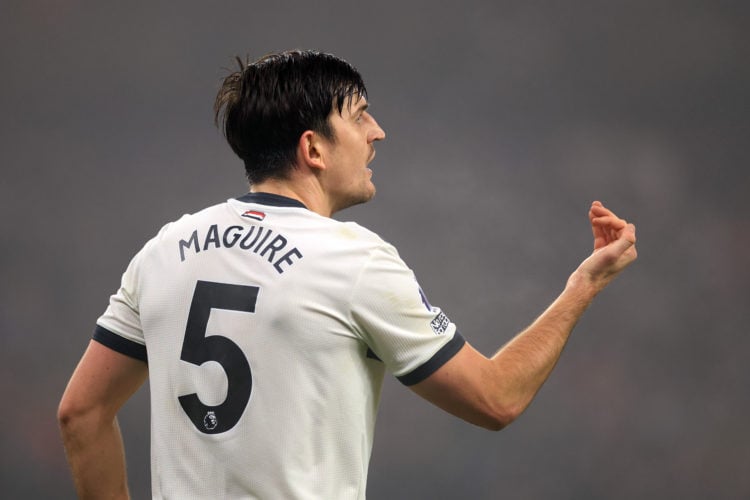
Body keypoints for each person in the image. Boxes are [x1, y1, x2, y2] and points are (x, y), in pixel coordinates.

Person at [58, 49, 637, 499]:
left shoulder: (165, 249)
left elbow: (80, 414)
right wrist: (583, 285)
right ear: (313, 149)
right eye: (360, 116)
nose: (377, 132)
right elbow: (495, 400)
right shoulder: (353, 260)